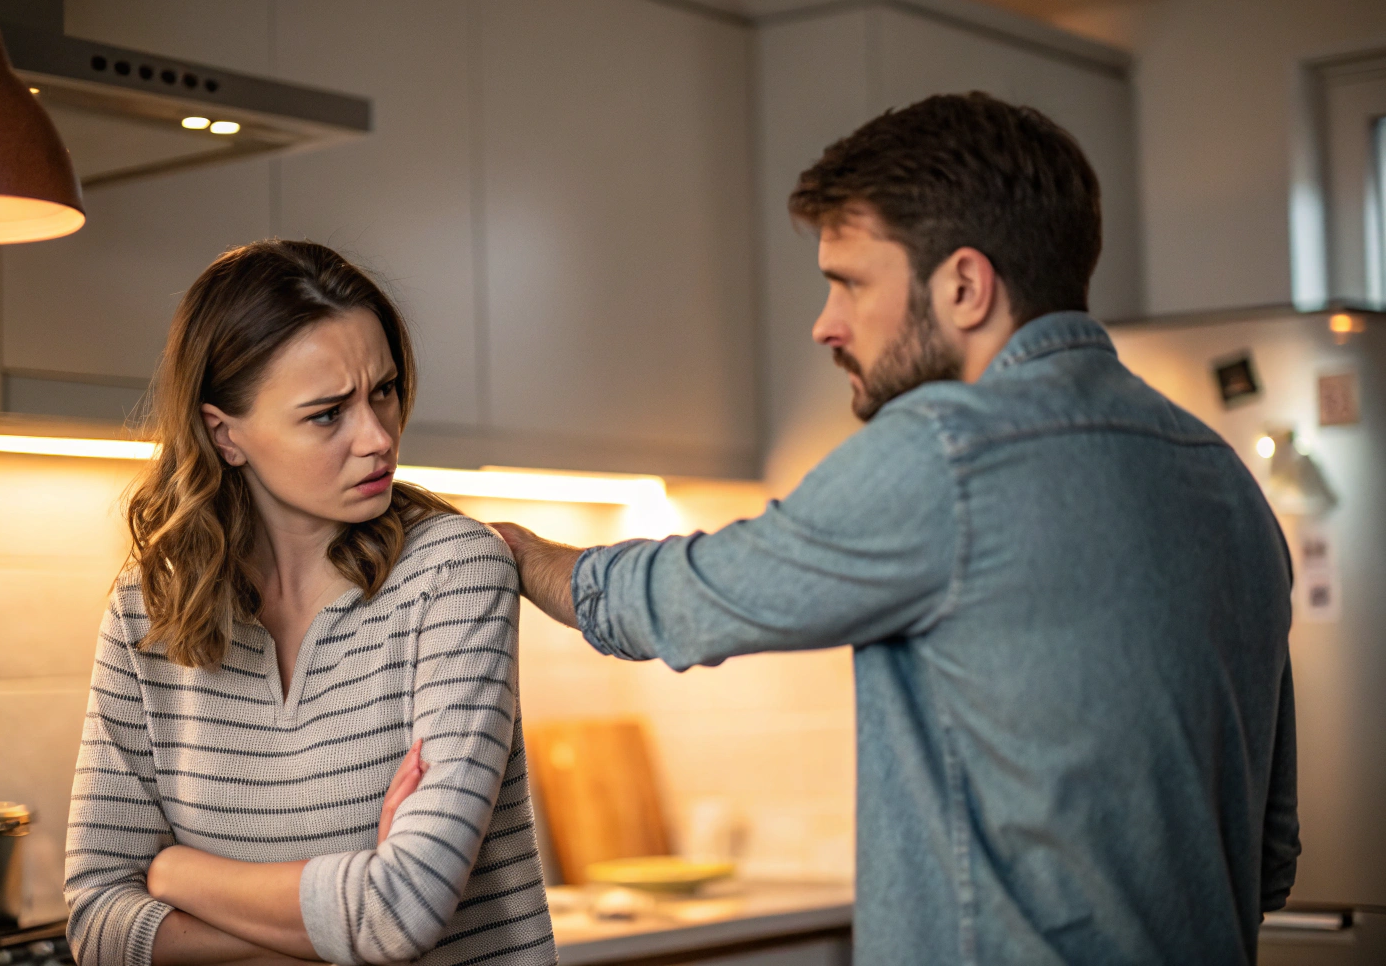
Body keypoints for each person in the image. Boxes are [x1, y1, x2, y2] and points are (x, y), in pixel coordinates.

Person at [493, 93, 1299, 966]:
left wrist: (521, 555)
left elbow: (692, 599)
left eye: (850, 281)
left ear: (963, 285)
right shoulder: (1223, 476)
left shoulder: (952, 449)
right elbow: (1270, 852)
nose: (825, 323)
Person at [66, 240, 553, 966]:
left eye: (383, 390)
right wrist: (339, 924)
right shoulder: (149, 609)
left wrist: (175, 875)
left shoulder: (453, 571)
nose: (379, 437)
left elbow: (403, 910)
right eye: (329, 414)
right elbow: (97, 922)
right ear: (224, 434)